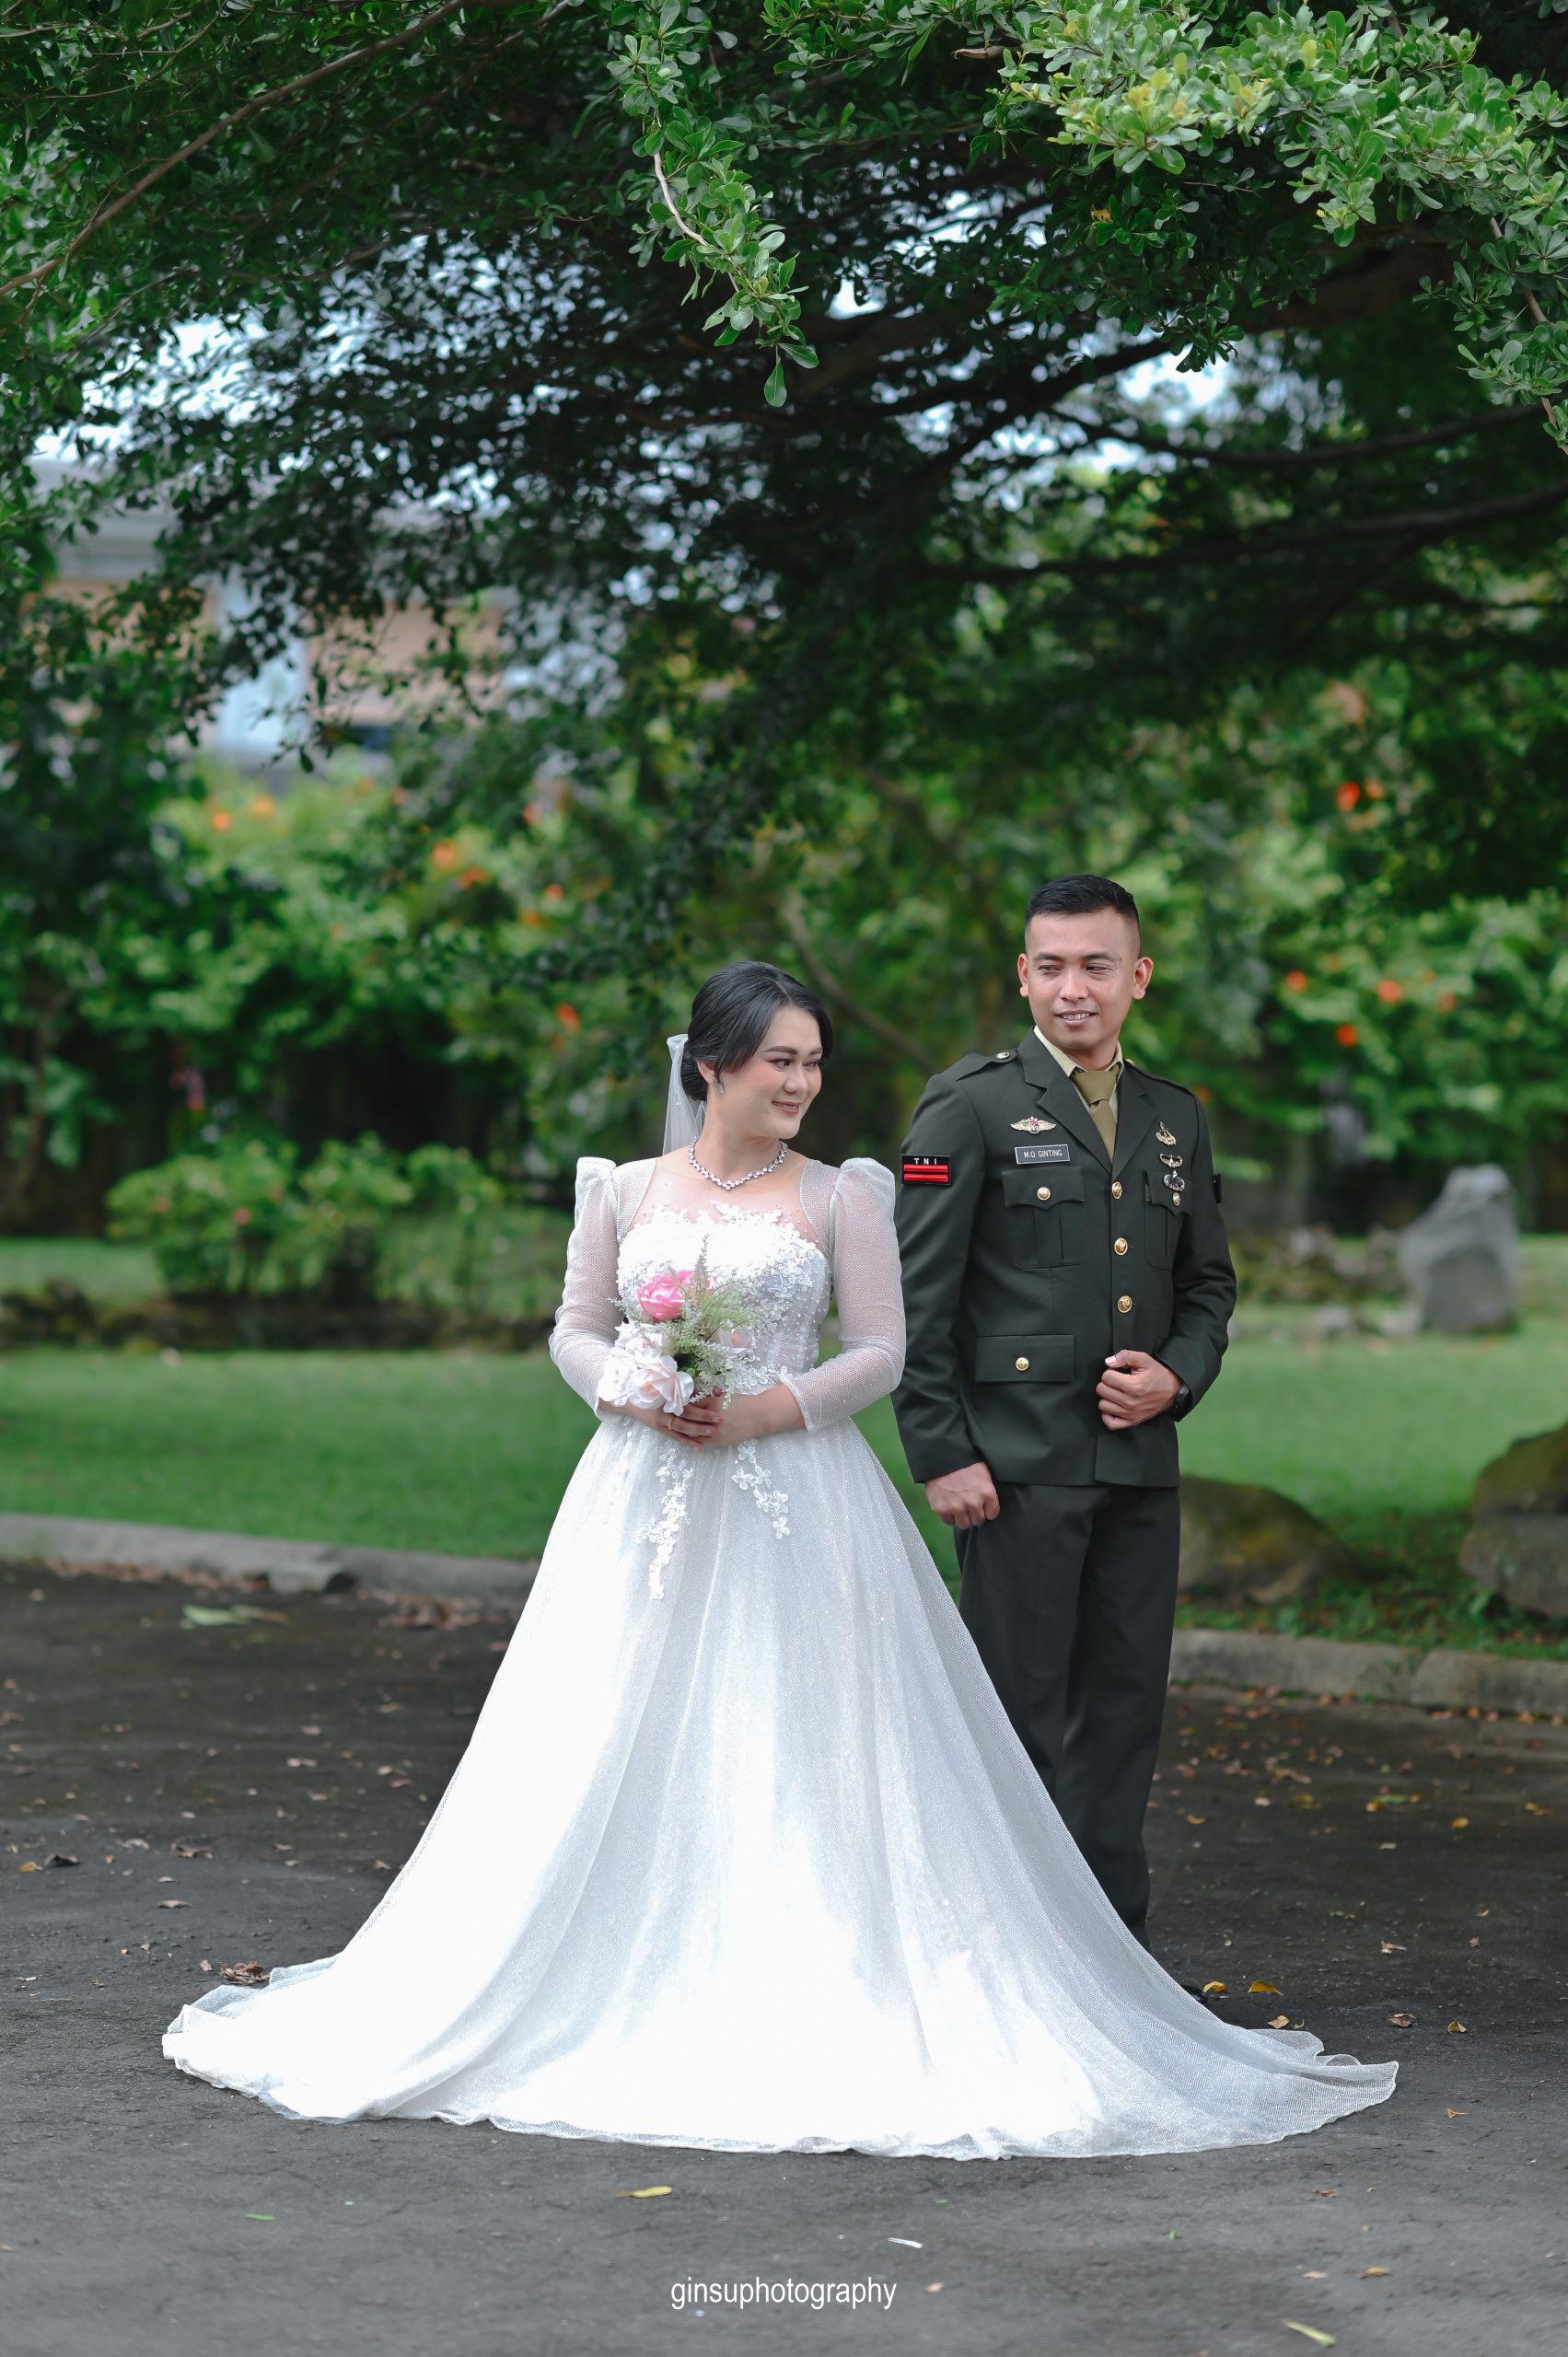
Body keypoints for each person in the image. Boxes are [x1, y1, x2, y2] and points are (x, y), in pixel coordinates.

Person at [163, 958, 1393, 2159]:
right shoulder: (619, 1191)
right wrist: (624, 1386)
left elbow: (879, 1349)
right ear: (710, 1066)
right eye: (776, 1062)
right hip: (640, 1495)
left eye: (810, 1062)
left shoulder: (841, 1195)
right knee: (607, 1721)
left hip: (797, 1490)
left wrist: (767, 1408)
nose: (799, 1083)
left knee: (800, 1728)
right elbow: (574, 1328)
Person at [893, 875, 1234, 1954]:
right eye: (1049, 966)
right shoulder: (966, 1106)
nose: (1071, 987)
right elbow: (914, 1299)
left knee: (1123, 1715)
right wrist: (939, 1451)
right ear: (1022, 976)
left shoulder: (1174, 1116)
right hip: (1013, 1470)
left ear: (1137, 976)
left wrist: (1175, 1377)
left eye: (1094, 965)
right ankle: (999, 1957)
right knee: (1014, 1718)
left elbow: (1207, 1285)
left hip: (1137, 1469)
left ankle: (1109, 1961)